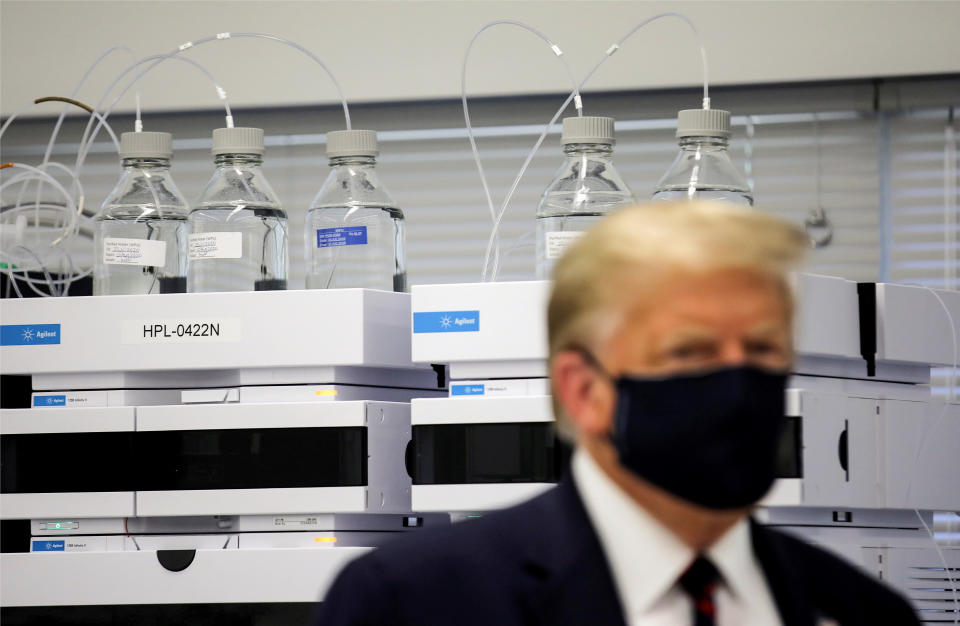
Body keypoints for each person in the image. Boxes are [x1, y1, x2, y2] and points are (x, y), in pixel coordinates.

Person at [314, 202, 920, 626]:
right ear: (584, 391)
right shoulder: (415, 602)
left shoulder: (862, 609)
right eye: (690, 351)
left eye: (763, 350)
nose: (739, 385)